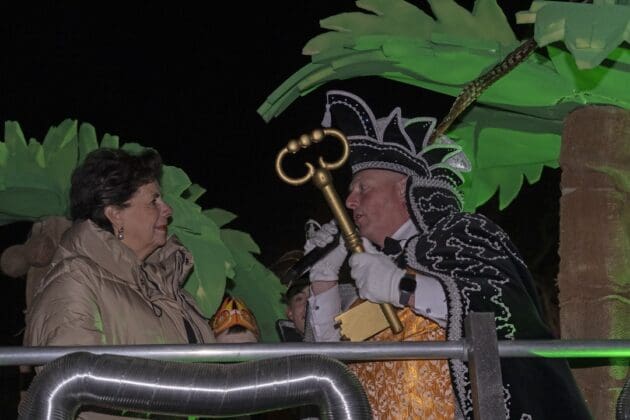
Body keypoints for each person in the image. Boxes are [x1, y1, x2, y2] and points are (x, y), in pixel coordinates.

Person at [303, 90, 592, 419]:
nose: (350, 201)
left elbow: (499, 312)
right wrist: (323, 278)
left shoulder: (463, 235)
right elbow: (335, 358)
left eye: (363, 188)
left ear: (405, 189)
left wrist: (401, 286)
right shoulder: (374, 275)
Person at [23, 148, 215, 419]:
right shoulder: (75, 281)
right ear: (115, 214)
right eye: (153, 201)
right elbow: (73, 380)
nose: (167, 210)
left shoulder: (168, 288)